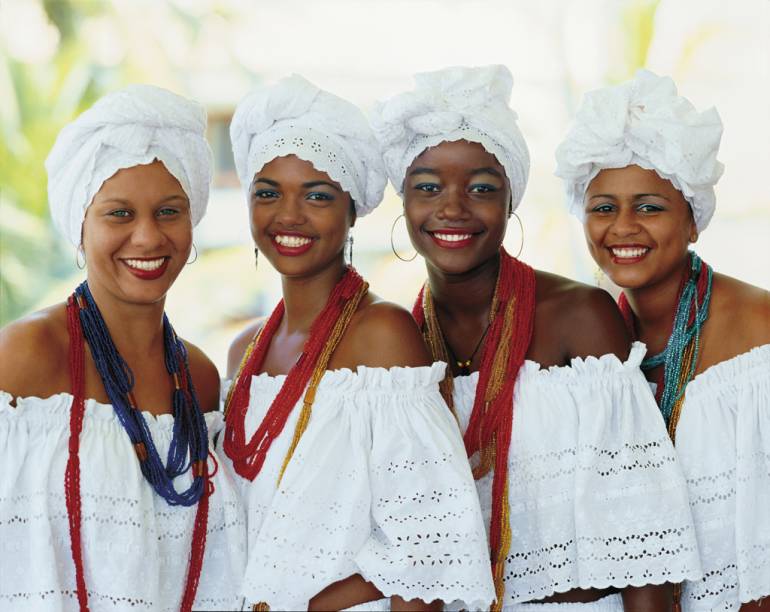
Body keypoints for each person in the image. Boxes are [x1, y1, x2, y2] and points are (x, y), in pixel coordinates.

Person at [371, 65, 702, 612]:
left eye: (481, 188)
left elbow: (644, 533)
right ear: (403, 203)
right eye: (427, 187)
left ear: (511, 201)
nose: (452, 208)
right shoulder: (399, 343)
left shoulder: (578, 316)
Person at [223, 74, 494, 611]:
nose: (289, 216)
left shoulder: (381, 335)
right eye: (268, 193)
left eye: (317, 196)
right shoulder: (244, 351)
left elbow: (430, 549)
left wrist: (316, 603)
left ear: (353, 212)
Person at [0, 85, 245, 612]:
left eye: (168, 211)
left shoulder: (197, 378)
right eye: (118, 214)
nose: (147, 237)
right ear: (79, 224)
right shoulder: (24, 357)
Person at [556, 68, 770, 612]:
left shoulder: (759, 330)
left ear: (693, 220)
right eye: (603, 207)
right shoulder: (590, 337)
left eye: (649, 206)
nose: (622, 226)